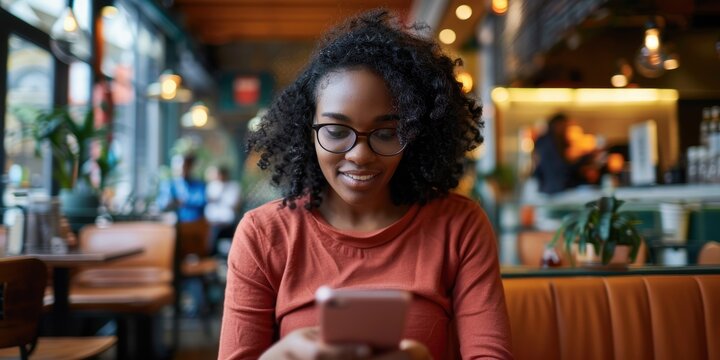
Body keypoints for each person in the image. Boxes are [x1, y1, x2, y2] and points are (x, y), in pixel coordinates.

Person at [219, 9, 512, 360]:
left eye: (387, 133)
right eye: (337, 131)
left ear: (416, 134)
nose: (360, 155)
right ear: (306, 131)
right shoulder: (264, 235)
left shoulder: (458, 226)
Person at [532, 113, 597, 194]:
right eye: (565, 126)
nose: (566, 129)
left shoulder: (544, 141)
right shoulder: (550, 143)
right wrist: (585, 158)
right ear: (558, 124)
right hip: (556, 190)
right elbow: (559, 168)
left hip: (548, 189)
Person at [205, 165, 242, 254]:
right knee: (211, 247)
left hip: (228, 223)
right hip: (214, 223)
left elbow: (235, 205)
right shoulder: (212, 186)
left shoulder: (234, 187)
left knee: (229, 247)